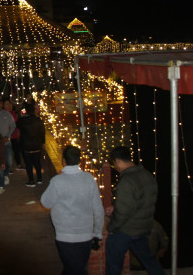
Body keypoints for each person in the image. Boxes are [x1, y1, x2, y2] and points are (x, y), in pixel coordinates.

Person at [41, 145, 105, 275]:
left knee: (74, 269)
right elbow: (98, 209)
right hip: (86, 234)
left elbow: (46, 202)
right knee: (76, 267)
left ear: (63, 160)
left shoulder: (58, 181)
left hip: (65, 234)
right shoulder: (89, 179)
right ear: (79, 160)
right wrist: (97, 233)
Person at [105, 146, 164, 275]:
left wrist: (112, 228)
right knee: (150, 262)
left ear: (118, 161)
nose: (115, 167)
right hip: (143, 228)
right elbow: (143, 200)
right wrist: (116, 207)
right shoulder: (147, 175)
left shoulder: (127, 180)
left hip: (126, 230)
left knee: (113, 265)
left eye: (114, 164)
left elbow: (123, 212)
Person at [17, 99, 46, 187]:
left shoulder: (22, 121)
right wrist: (43, 142)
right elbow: (42, 132)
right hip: (37, 144)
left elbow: (17, 125)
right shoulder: (38, 120)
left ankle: (31, 180)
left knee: (28, 163)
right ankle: (39, 179)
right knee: (37, 162)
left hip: (26, 145)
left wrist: (22, 114)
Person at [4, 98, 24, 170]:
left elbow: (16, 123)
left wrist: (18, 131)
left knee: (16, 150)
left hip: (14, 135)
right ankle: (7, 168)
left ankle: (18, 164)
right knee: (8, 152)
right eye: (7, 104)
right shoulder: (4, 114)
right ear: (4, 106)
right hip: (7, 136)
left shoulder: (13, 113)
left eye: (10, 104)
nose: (9, 106)